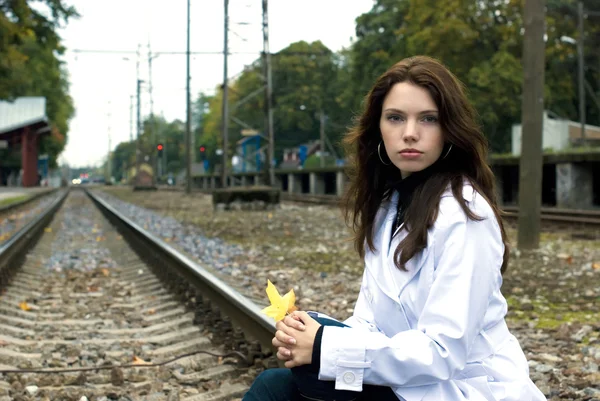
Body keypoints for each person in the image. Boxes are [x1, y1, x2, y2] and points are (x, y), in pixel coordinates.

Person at [243, 56, 547, 401]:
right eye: (395, 118)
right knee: (277, 386)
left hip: (461, 387)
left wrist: (326, 348)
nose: (410, 133)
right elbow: (370, 323)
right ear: (379, 129)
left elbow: (441, 351)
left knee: (276, 391)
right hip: (408, 380)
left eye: (428, 119)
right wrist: (308, 331)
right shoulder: (388, 206)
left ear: (449, 129)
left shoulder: (465, 215)